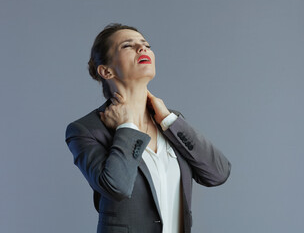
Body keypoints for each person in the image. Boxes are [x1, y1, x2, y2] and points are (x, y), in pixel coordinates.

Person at [65, 23, 231, 233]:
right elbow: (116, 186)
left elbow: (218, 173)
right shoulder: (86, 130)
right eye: (128, 46)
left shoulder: (171, 123)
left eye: (145, 45)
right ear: (106, 71)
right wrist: (126, 127)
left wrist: (169, 120)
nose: (142, 49)